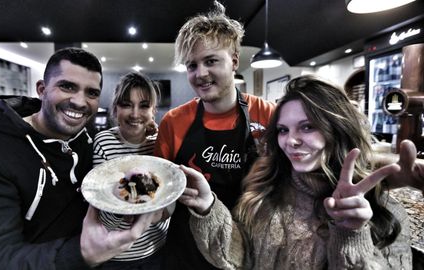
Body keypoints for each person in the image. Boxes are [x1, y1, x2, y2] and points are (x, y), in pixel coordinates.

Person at [0, 47, 160, 269]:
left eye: (91, 93)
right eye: (67, 86)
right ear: (41, 89)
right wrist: (80, 253)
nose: (79, 101)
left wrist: (146, 130)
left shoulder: (87, 138)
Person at [179, 75, 412, 269]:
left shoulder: (383, 210)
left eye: (307, 127)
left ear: (338, 128)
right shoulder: (265, 189)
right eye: (282, 130)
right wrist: (207, 205)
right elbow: (242, 256)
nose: (291, 141)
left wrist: (351, 234)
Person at [153, 2, 275, 269]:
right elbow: (162, 193)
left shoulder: (268, 116)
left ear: (233, 61)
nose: (200, 74)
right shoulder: (174, 122)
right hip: (186, 250)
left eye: (210, 61)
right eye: (191, 65)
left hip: (248, 247)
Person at [93, 71, 170, 269]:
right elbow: (103, 217)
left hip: (157, 248)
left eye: (144, 106)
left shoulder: (160, 142)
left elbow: (169, 202)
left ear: (153, 111)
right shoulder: (103, 143)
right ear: (115, 108)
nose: (135, 114)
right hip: (116, 256)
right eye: (126, 104)